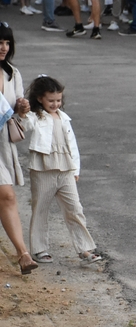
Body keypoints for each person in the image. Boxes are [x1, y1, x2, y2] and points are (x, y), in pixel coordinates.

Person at [23, 75, 103, 266]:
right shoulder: (36, 116)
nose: (55, 104)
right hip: (43, 169)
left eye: (58, 100)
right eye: (51, 100)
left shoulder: (64, 118)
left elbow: (72, 145)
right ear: (40, 98)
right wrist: (23, 112)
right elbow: (24, 125)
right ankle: (39, 249)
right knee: (40, 209)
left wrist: (76, 168)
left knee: (74, 208)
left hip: (66, 169)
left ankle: (84, 249)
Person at [0, 24, 38, 275]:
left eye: (7, 43)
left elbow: (16, 118)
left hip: (2, 143)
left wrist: (22, 110)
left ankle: (23, 253)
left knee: (8, 196)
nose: (3, 48)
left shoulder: (13, 73)